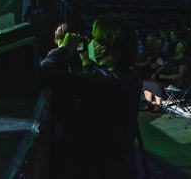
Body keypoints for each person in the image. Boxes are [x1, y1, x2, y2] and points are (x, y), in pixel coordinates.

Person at [40, 13, 143, 178]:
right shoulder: (129, 77)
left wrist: (63, 50)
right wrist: (87, 64)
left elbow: (42, 75)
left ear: (102, 48)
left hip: (98, 169)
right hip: (118, 165)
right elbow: (95, 95)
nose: (89, 41)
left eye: (94, 38)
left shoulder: (105, 81)